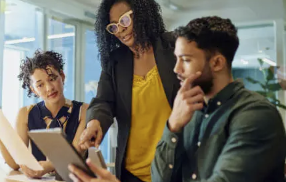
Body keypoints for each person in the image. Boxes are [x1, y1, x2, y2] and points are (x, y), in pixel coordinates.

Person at [69, 16, 286, 182]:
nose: (177, 69)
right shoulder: (191, 113)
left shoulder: (256, 117)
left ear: (217, 63)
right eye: (176, 59)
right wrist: (172, 126)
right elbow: (159, 178)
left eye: (186, 60)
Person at [78, 0, 179, 181]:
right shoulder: (115, 62)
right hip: (132, 173)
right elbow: (103, 101)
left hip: (174, 169)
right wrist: (95, 122)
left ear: (142, 14)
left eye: (124, 20)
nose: (120, 30)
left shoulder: (174, 47)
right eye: (113, 27)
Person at [0, 50, 88, 178]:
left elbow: (75, 154)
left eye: (52, 79)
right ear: (34, 90)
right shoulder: (25, 114)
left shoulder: (84, 110)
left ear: (62, 76)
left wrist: (48, 166)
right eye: (40, 85)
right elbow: (15, 163)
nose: (49, 88)